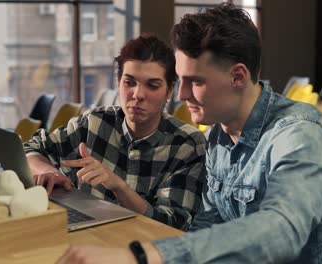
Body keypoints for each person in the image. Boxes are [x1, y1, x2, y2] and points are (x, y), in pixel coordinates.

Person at [56, 3, 322, 264]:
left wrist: (144, 255)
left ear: (238, 76)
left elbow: (282, 229)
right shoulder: (219, 134)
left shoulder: (299, 135)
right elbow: (207, 226)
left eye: (196, 82)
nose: (182, 94)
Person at [23, 35, 206, 230]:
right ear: (118, 83)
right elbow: (32, 147)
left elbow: (172, 225)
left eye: (152, 85)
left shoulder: (187, 145)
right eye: (129, 82)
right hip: (87, 238)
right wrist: (48, 171)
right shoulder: (95, 122)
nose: (137, 95)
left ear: (170, 90)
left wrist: (118, 186)